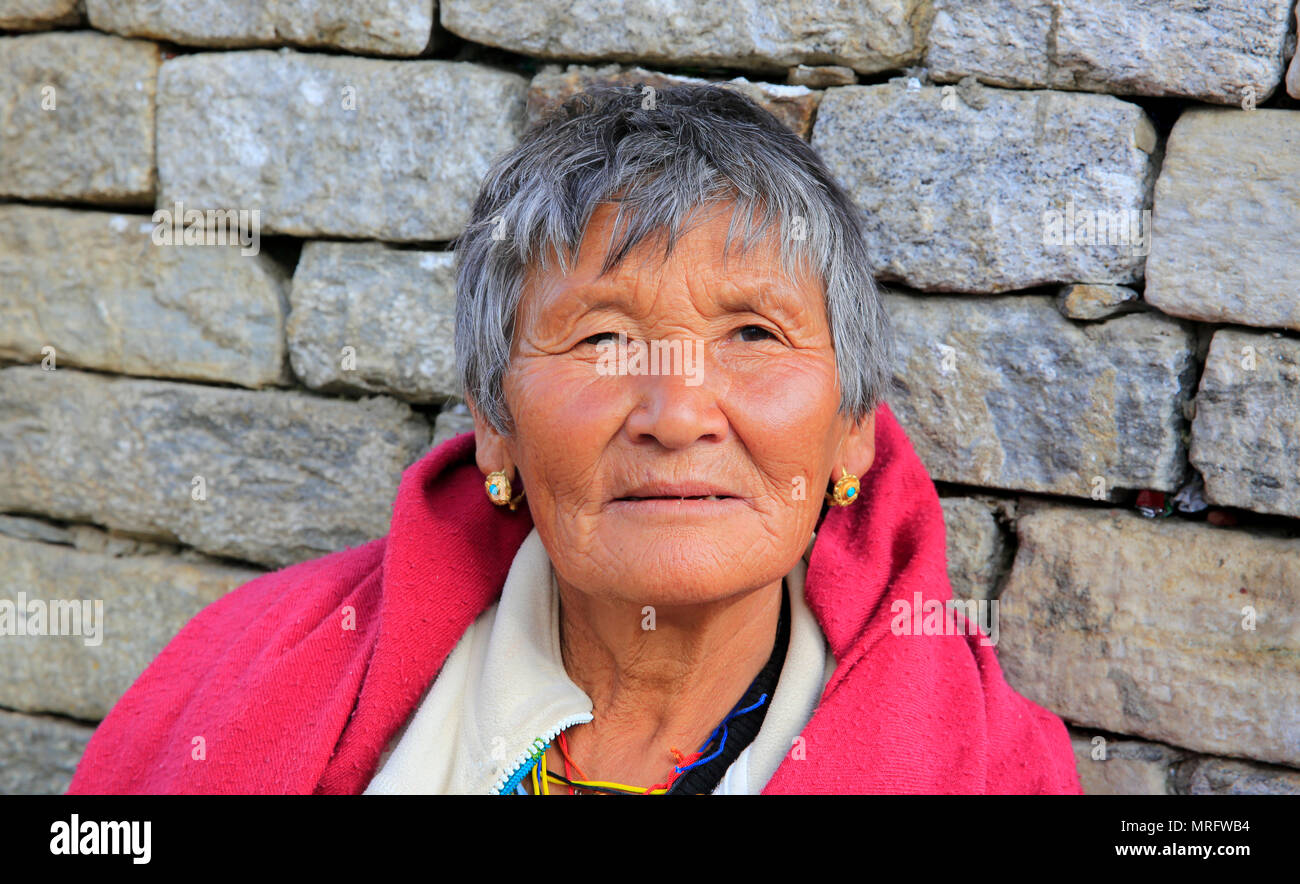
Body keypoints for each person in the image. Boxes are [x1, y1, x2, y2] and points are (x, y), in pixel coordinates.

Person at [69, 84, 1081, 794]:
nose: (676, 414)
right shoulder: (236, 677)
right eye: (601, 337)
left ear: (852, 430)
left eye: (751, 334)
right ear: (493, 425)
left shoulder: (994, 769)